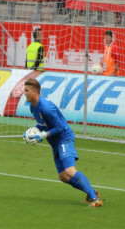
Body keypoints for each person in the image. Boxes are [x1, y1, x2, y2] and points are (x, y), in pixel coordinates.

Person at [22, 78, 103, 208]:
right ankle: (91, 192)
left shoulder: (46, 107)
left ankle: (94, 198)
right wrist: (33, 131)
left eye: (26, 90)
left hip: (64, 138)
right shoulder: (33, 107)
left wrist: (44, 134)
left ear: (34, 92)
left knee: (69, 170)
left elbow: (60, 127)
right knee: (63, 177)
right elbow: (43, 124)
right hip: (54, 142)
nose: (24, 93)